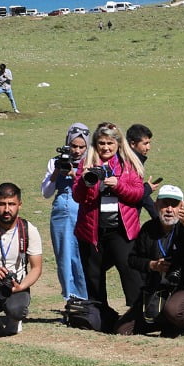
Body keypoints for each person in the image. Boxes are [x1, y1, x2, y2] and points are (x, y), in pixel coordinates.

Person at [73, 121, 146, 314]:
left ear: (118, 144)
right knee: (93, 273)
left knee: (129, 269)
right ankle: (99, 313)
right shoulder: (86, 163)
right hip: (92, 228)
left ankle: (137, 311)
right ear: (96, 144)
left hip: (121, 228)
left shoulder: (128, 165)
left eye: (110, 143)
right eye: (101, 143)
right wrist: (85, 182)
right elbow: (78, 197)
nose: (105, 147)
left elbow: (138, 194)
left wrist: (118, 185)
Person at [117, 184, 184, 337]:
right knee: (122, 329)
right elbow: (132, 259)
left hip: (183, 288)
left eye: (175, 205)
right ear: (157, 205)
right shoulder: (148, 228)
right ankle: (162, 320)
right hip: (155, 288)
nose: (169, 209)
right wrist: (151, 265)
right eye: (165, 204)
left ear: (181, 207)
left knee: (173, 310)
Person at [0, 182, 43, 336]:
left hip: (15, 286)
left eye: (11, 204)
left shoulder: (29, 230)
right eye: (2, 204)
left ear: (19, 205)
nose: (7, 209)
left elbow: (36, 268)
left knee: (17, 309)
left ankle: (14, 318)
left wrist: (22, 286)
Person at [41, 123, 90, 311]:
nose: (77, 151)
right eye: (73, 146)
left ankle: (85, 297)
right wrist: (55, 173)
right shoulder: (55, 162)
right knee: (64, 255)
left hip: (84, 213)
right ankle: (70, 297)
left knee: (81, 255)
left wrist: (74, 173)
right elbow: (46, 192)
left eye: (81, 147)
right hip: (61, 214)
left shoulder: (92, 162)